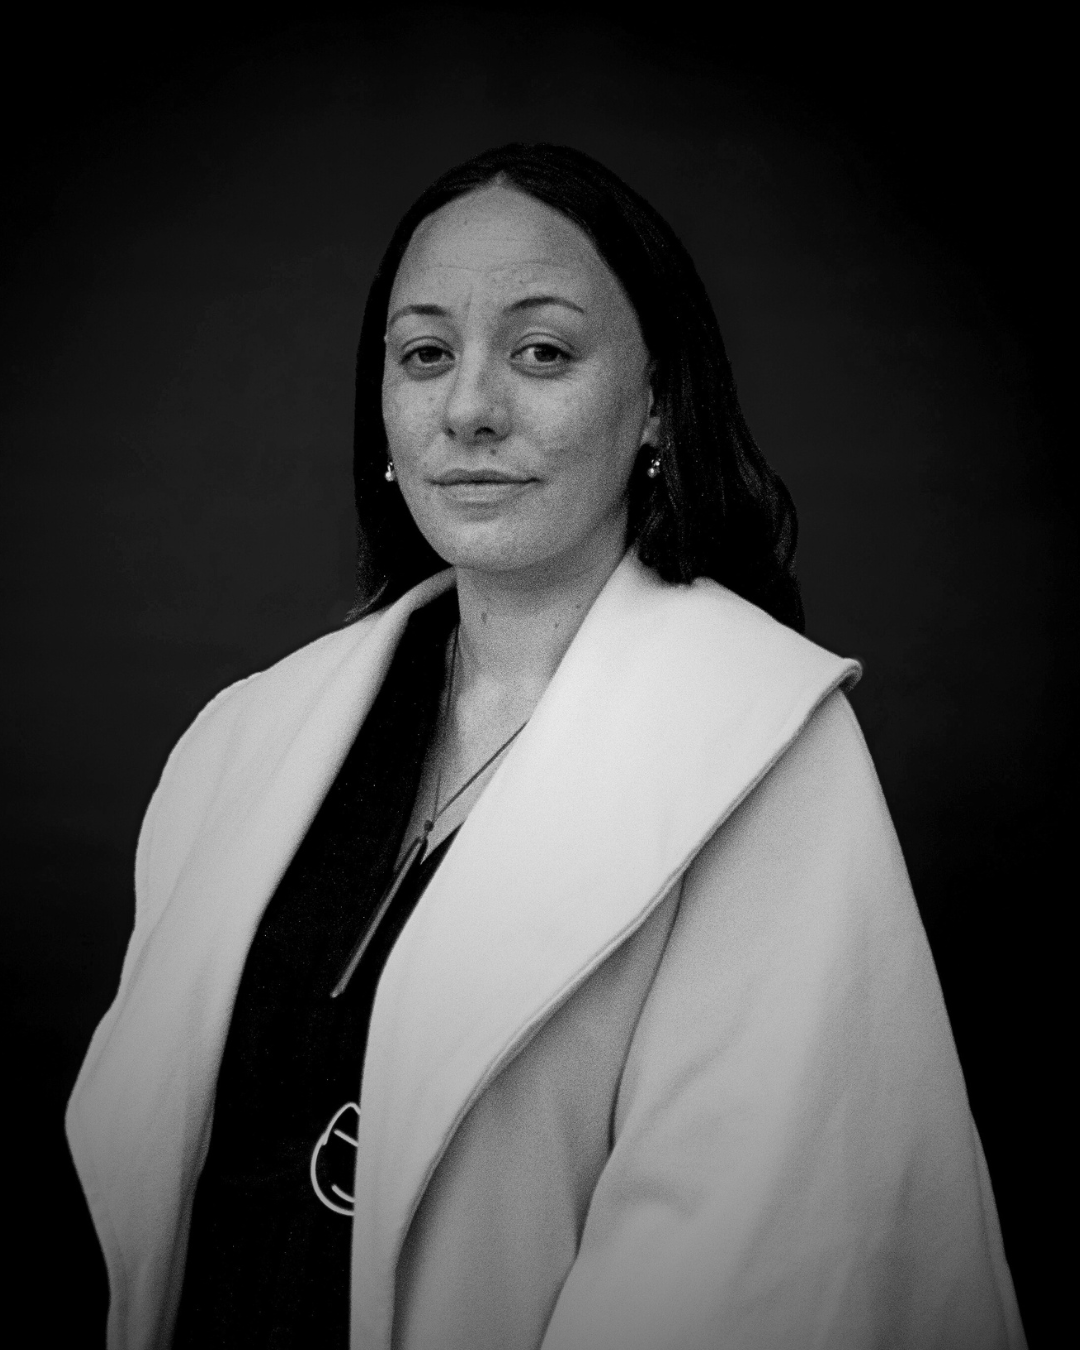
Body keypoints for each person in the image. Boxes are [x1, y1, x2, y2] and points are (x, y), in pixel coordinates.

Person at [66, 143, 1026, 1350]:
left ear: (656, 403)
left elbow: (747, 1267)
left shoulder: (762, 750)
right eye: (426, 355)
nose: (469, 408)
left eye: (543, 353)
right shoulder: (247, 738)